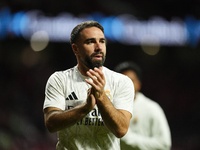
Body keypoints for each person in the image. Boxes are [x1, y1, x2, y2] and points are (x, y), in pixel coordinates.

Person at [43, 21, 135, 150]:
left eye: (102, 41)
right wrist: (85, 108)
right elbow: (51, 123)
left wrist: (101, 97)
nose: (98, 47)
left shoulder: (121, 81)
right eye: (91, 42)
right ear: (76, 48)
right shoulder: (59, 79)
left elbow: (121, 129)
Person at [115, 61, 172, 150]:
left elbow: (164, 144)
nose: (126, 85)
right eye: (121, 81)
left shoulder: (151, 108)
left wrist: (128, 138)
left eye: (130, 81)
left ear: (139, 84)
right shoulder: (109, 107)